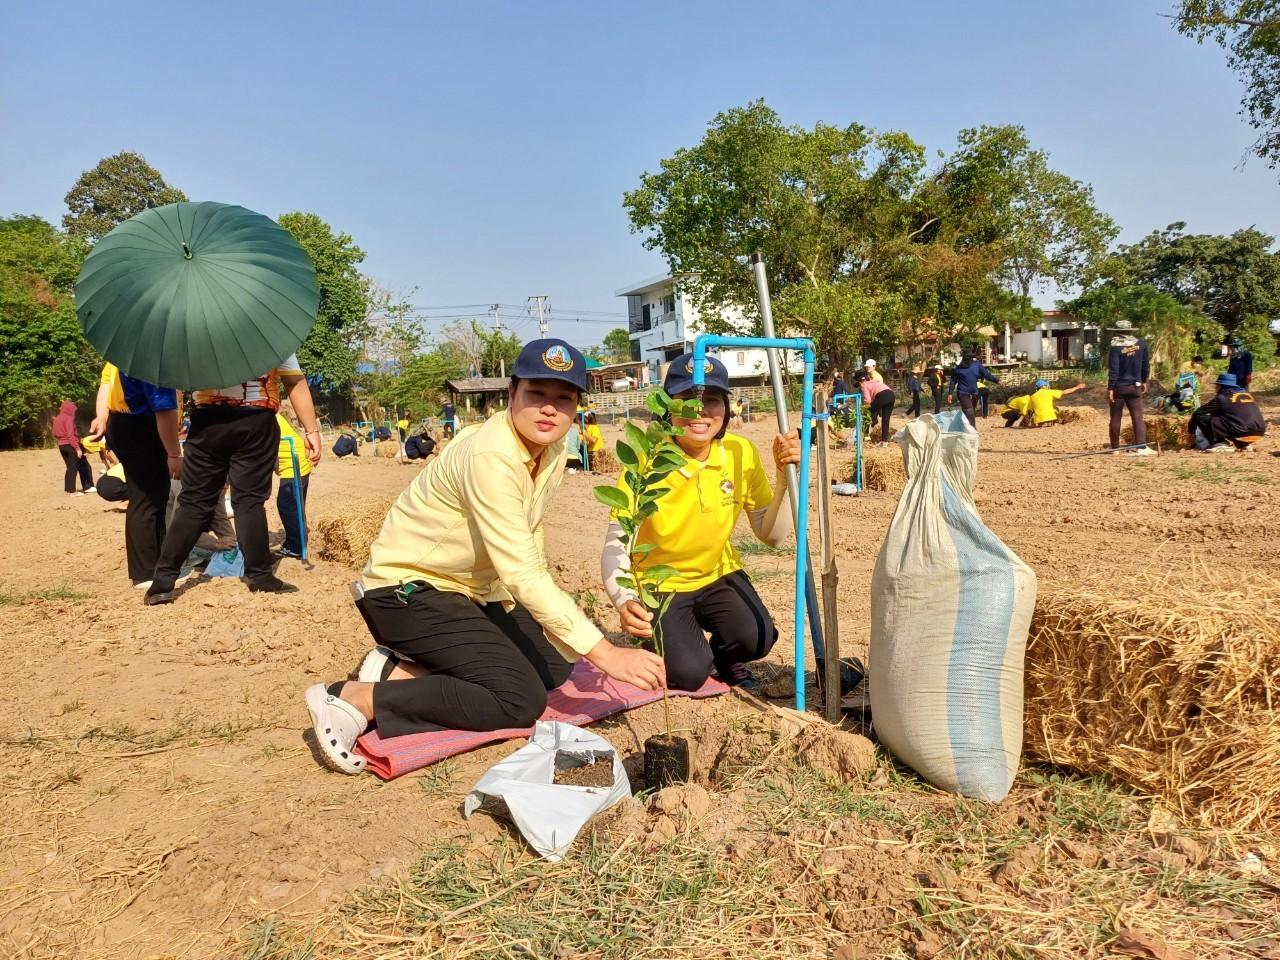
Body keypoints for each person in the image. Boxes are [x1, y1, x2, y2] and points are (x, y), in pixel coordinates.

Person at [302, 339, 666, 775]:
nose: (549, 409)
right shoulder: (491, 455)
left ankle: (399, 670)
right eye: (536, 395)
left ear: (576, 409)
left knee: (554, 665)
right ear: (511, 395)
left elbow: (528, 534)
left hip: (469, 590)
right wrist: (607, 653)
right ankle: (356, 697)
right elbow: (521, 567)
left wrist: (532, 618)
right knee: (518, 699)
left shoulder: (550, 452)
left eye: (563, 399)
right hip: (407, 589)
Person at [601, 353, 799, 693]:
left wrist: (784, 477)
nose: (699, 411)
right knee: (690, 673)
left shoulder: (739, 452)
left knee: (759, 636)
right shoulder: (647, 461)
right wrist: (625, 599)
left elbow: (772, 536)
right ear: (667, 408)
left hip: (716, 573)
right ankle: (675, 646)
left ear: (726, 406)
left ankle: (723, 658)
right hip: (660, 581)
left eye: (711, 400)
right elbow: (616, 543)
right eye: (686, 400)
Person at [144, 353, 322, 605]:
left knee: (194, 502)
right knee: (249, 501)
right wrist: (311, 430)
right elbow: (294, 381)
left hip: (207, 421)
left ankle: (162, 583)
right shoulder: (271, 333)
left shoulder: (191, 335)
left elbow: (173, 388)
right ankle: (259, 576)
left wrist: (173, 449)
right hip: (256, 419)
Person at [89, 364, 183, 587]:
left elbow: (105, 383)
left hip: (122, 424)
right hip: (140, 427)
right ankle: (145, 573)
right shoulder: (154, 361)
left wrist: (101, 415)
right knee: (146, 498)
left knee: (156, 495)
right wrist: (174, 454)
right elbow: (164, 410)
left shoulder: (123, 352)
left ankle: (158, 565)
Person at [1106, 319, 1153, 455]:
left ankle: (1115, 448)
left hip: (1119, 387)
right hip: (1135, 386)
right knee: (1137, 417)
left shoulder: (1115, 347)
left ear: (1117, 332)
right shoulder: (1141, 344)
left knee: (1115, 417)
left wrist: (1110, 388)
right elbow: (1145, 365)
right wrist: (1144, 381)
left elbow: (1114, 370)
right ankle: (1141, 446)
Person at [1189, 372, 1266, 452]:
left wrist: (1191, 433)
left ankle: (1220, 444)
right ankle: (1244, 445)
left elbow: (1197, 413)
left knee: (1200, 418)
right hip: (1259, 432)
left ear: (1221, 387)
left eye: (1217, 386)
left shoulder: (1221, 398)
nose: (1215, 388)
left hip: (1240, 431)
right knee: (1231, 418)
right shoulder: (1247, 395)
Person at [275, 413, 313, 559]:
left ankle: (295, 547)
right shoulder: (271, 414)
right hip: (299, 461)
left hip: (294, 465)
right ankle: (297, 541)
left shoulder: (266, 417)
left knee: (287, 505)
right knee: (296, 505)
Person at [52, 400, 95, 496]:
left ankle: (69, 489)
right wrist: (77, 448)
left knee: (71, 467)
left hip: (61, 446)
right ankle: (73, 491)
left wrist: (62, 439)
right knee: (76, 467)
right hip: (71, 445)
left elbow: (54, 433)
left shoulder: (57, 418)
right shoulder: (68, 418)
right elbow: (70, 435)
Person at [947, 352, 1000, 427]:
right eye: (966, 358)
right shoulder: (958, 368)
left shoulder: (977, 365)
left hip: (974, 393)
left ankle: (964, 427)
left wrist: (997, 380)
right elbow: (953, 380)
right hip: (962, 393)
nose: (967, 360)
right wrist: (950, 393)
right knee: (969, 411)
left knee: (969, 412)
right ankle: (973, 429)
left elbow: (986, 374)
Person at [858, 370, 896, 446]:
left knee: (867, 413)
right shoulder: (875, 381)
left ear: (860, 382)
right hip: (891, 395)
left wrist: (863, 407)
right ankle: (884, 442)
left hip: (882, 395)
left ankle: (865, 436)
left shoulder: (864, 385)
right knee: (885, 419)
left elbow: (868, 401)